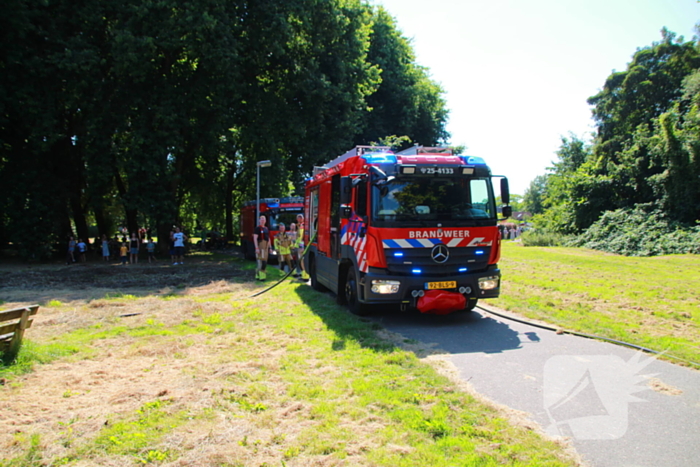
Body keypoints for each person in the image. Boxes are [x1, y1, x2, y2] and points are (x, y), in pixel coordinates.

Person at [253, 215, 270, 281]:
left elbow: (268, 239)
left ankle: (259, 275)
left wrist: (270, 247)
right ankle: (261, 276)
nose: (262, 220)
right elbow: (255, 238)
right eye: (261, 219)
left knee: (265, 261)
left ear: (265, 221)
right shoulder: (257, 229)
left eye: (264, 219)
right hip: (260, 246)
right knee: (261, 262)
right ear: (259, 220)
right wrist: (256, 248)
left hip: (265, 247)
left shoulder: (266, 228)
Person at [295, 214, 308, 280]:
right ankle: (304, 274)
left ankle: (305, 275)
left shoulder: (302, 226)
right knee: (301, 260)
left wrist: (300, 245)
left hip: (301, 245)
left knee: (302, 260)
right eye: (298, 218)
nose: (299, 219)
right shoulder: (299, 225)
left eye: (300, 218)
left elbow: (301, 236)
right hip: (300, 245)